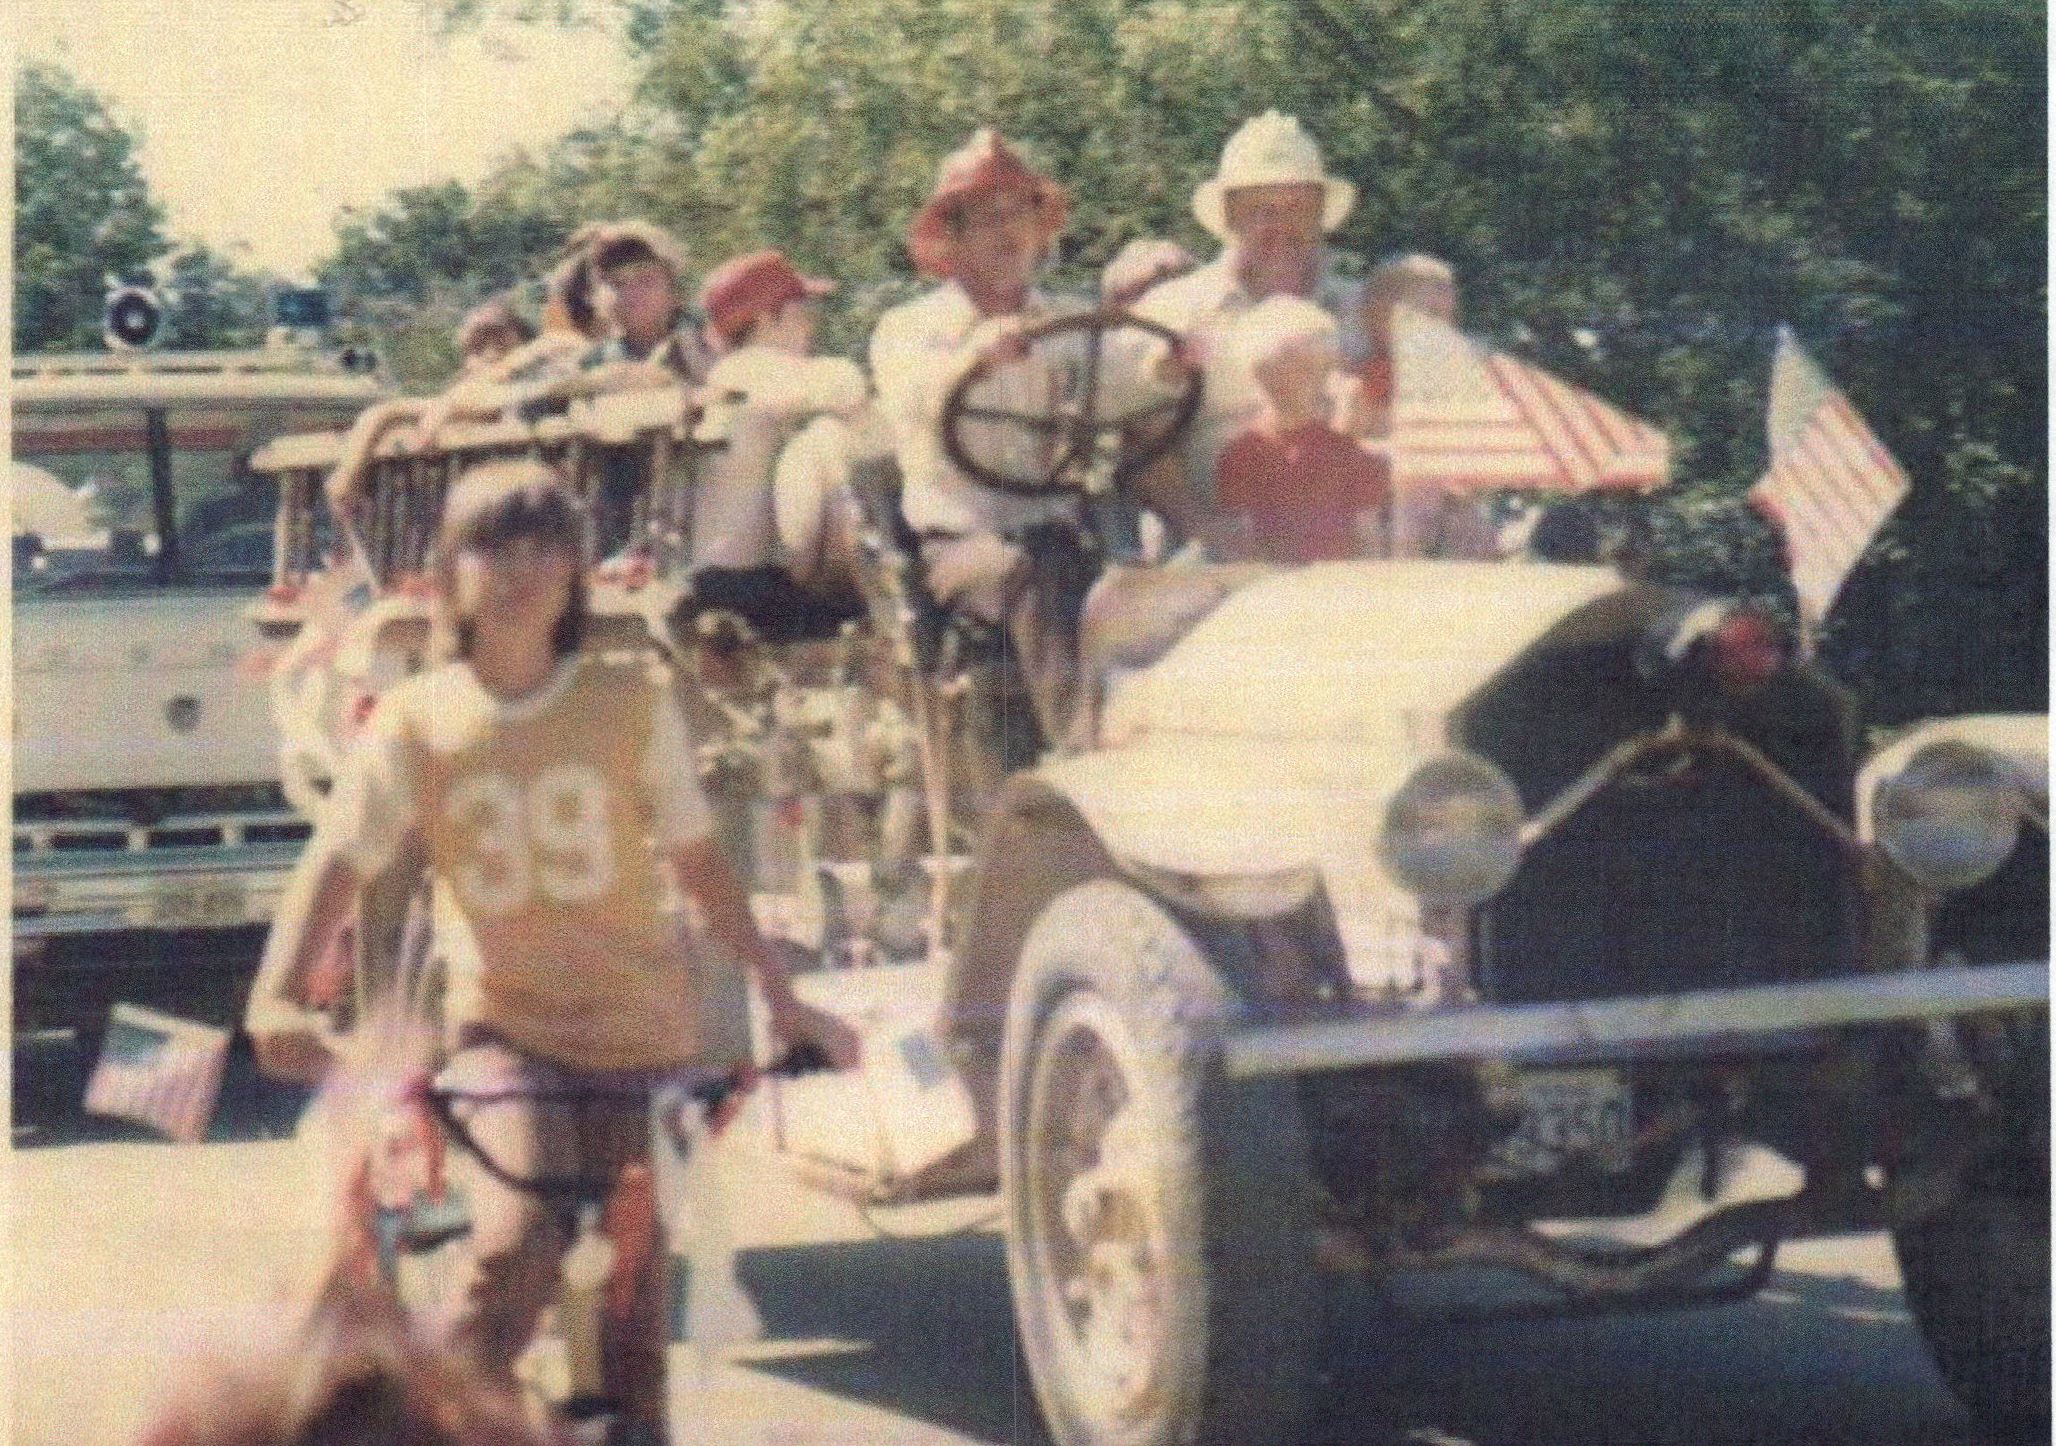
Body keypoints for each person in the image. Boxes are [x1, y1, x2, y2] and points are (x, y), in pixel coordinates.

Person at [245, 459, 860, 1444]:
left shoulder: (630, 700)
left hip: (644, 1039)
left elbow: (702, 867)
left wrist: (786, 1004)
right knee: (518, 1245)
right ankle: (425, 1424)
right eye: (492, 545)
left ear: (576, 573)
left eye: (544, 546)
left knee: (631, 1321)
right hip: (507, 1038)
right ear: (449, 574)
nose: (519, 569)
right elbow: (339, 860)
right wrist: (277, 996)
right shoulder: (419, 719)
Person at [868, 128, 1094, 743]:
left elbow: (1129, 387)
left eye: (1019, 214)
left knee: (1147, 583)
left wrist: (1169, 367)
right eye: (988, 218)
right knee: (1032, 572)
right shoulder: (909, 329)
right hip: (961, 544)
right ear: (954, 238)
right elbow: (914, 398)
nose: (1007, 233)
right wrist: (974, 360)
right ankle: (1082, 757)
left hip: (1067, 533)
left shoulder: (1069, 322)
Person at [1132, 110, 1367, 506]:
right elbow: (1134, 440)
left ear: (1320, 215)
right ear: (1229, 216)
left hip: (1353, 530)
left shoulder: (1363, 312)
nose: (1282, 225)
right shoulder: (1171, 312)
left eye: (1298, 208)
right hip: (1212, 533)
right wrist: (1204, 528)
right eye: (1263, 210)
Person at [688, 248, 868, 640]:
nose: (810, 326)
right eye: (801, 312)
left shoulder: (723, 379)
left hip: (711, 579)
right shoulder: (754, 371)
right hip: (751, 583)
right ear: (768, 319)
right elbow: (847, 386)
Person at [1207, 297, 1391, 564]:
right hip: (1272, 582)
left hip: (1338, 581)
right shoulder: (1242, 454)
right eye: (1304, 369)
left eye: (1324, 370)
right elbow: (1241, 546)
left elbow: (1368, 544)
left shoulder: (1348, 455)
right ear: (1262, 372)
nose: (1318, 382)